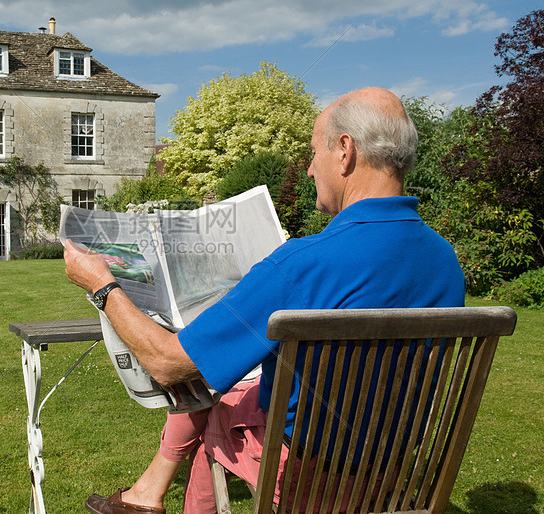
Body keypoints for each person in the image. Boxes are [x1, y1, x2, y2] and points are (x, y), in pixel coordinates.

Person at [63, 87, 465, 514]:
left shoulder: (304, 264)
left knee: (212, 410)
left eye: (313, 153)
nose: (310, 170)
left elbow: (167, 363)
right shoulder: (444, 261)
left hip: (307, 473)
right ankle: (146, 496)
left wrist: (102, 286)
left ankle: (148, 496)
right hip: (388, 466)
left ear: (345, 151)